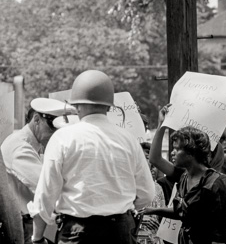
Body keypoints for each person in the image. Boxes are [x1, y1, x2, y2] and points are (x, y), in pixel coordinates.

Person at [27, 70, 155, 244]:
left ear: (77, 105)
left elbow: (45, 196)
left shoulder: (63, 137)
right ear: (109, 106)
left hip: (77, 232)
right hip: (120, 231)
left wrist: (37, 238)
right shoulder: (129, 140)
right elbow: (147, 194)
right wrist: (120, 208)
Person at [144, 111, 226, 244]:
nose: (172, 153)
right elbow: (154, 158)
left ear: (191, 153)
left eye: (177, 149)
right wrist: (162, 124)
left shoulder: (215, 184)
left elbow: (218, 233)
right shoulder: (183, 176)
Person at [1, 97, 75, 244]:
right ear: (36, 119)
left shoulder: (36, 144)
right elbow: (47, 186)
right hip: (25, 226)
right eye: (53, 126)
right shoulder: (19, 147)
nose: (56, 133)